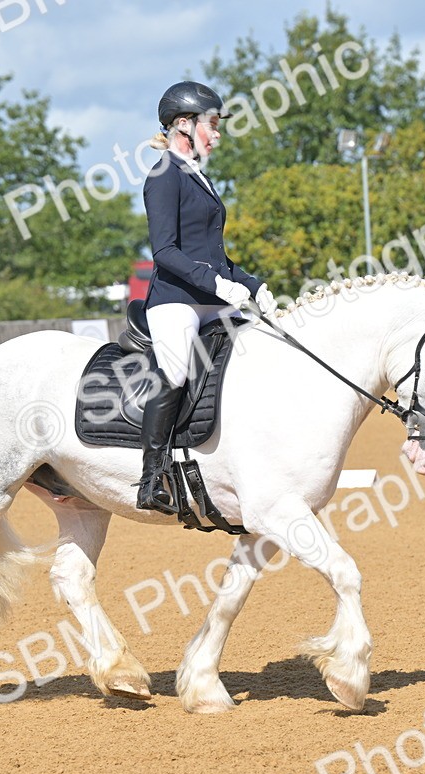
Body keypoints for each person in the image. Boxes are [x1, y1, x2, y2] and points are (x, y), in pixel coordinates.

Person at [135, 80, 277, 513]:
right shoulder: (163, 175)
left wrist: (254, 285)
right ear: (184, 124)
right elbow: (165, 252)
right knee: (176, 371)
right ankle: (152, 476)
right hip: (176, 299)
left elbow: (215, 253)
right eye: (212, 125)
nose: (217, 134)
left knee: (259, 350)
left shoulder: (199, 177)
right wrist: (217, 284)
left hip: (211, 297)